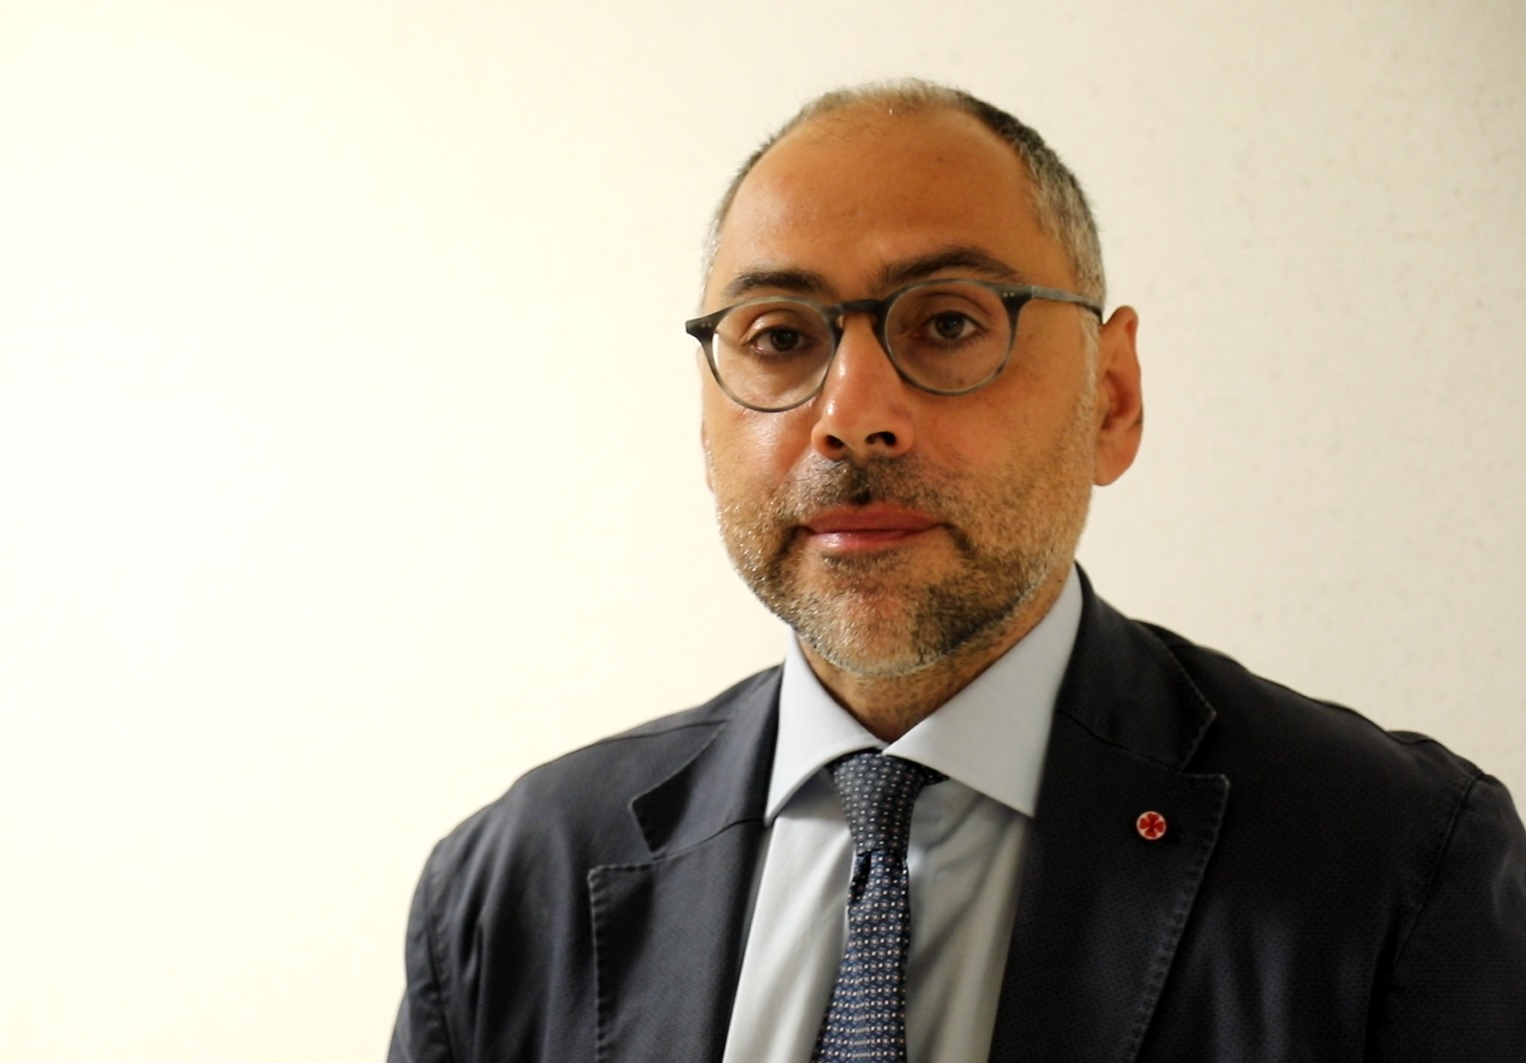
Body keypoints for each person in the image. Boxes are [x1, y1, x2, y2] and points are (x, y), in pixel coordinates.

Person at [387, 80, 1526, 1062]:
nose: (851, 415)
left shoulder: (1396, 867)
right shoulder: (510, 885)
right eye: (779, 336)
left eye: (945, 324)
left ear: (1111, 399)